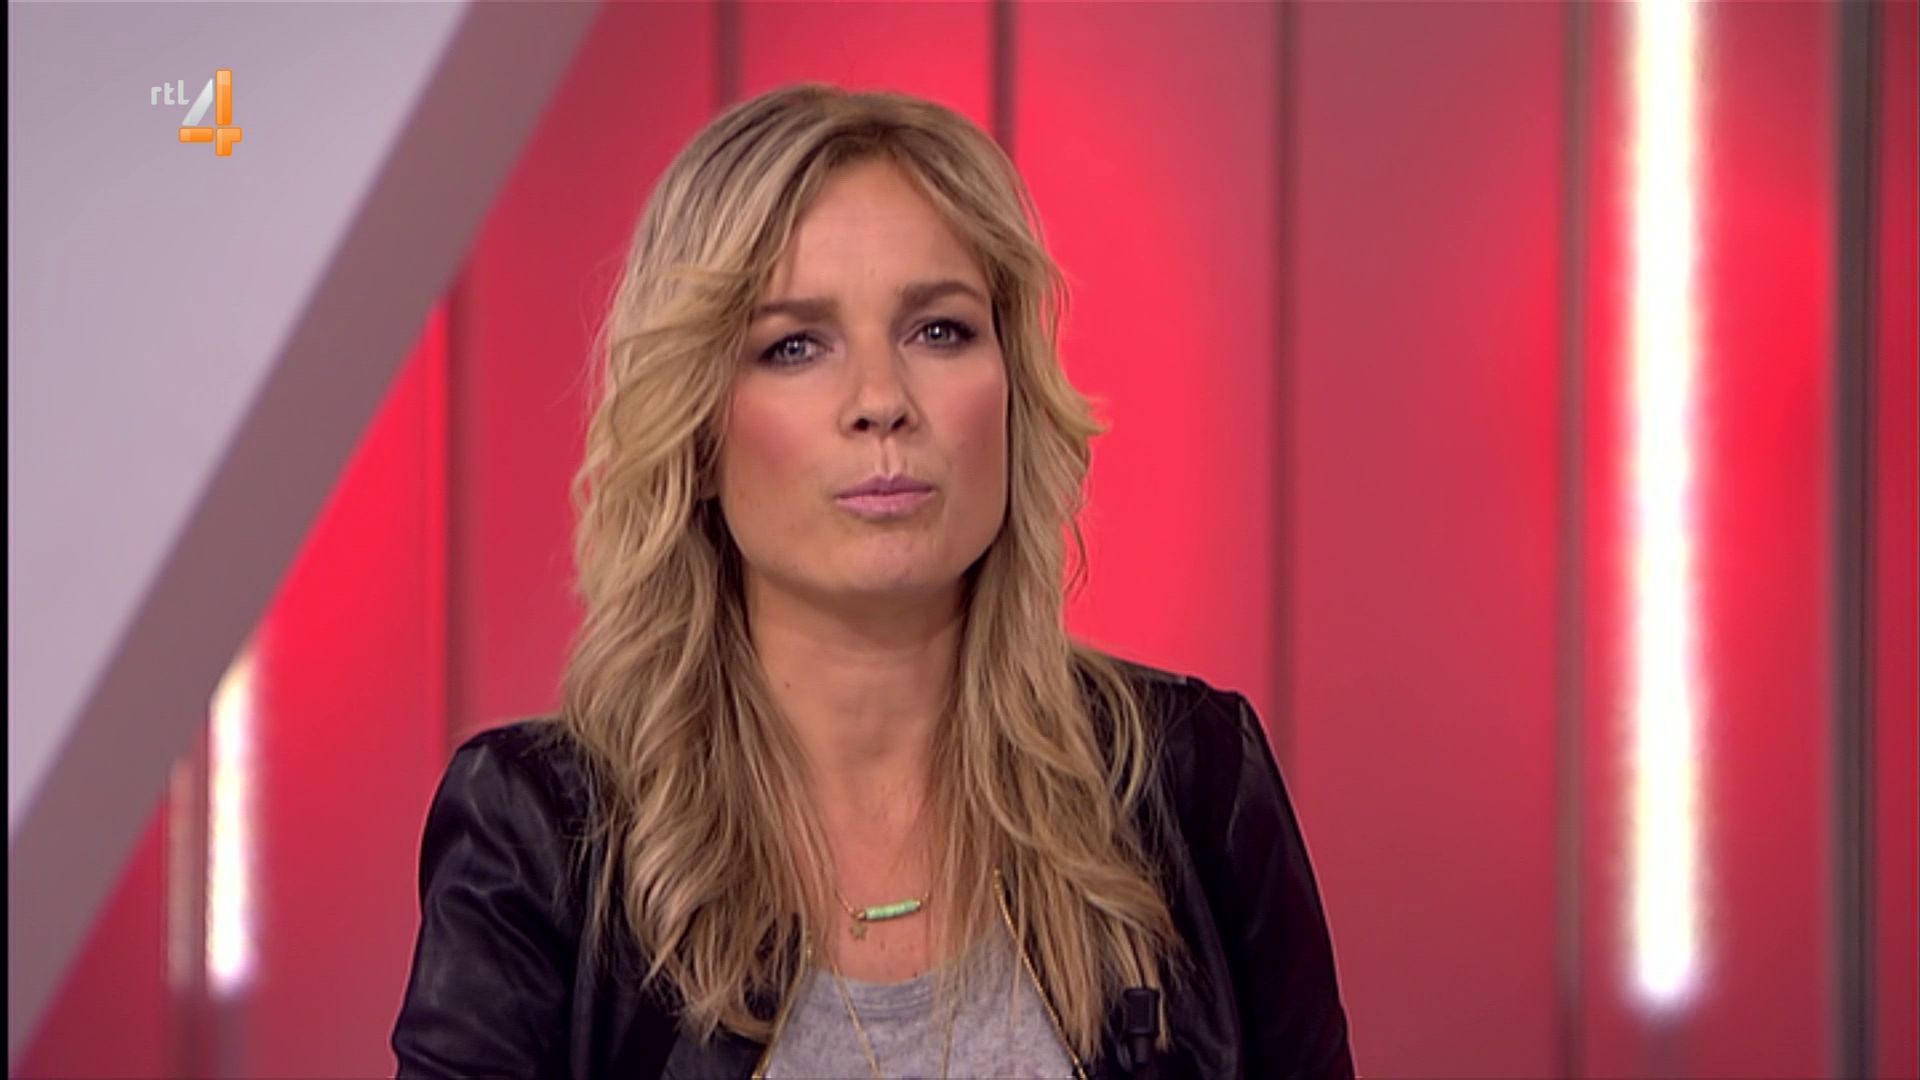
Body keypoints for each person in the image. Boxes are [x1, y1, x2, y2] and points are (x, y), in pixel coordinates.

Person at [391, 82, 1354, 1080]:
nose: (883, 401)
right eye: (794, 346)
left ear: (1012, 393)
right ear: (698, 434)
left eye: (939, 330)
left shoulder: (1191, 786)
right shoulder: (538, 840)